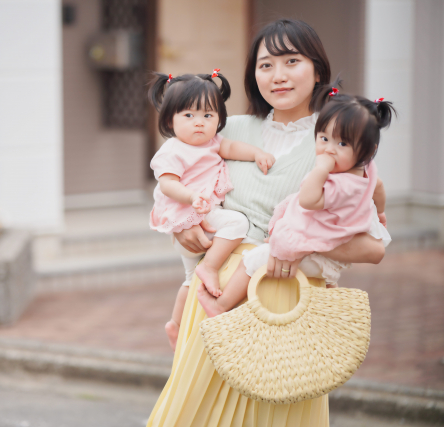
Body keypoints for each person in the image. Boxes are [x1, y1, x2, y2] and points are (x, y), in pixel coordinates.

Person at [146, 19, 387, 427]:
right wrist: (182, 226)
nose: (277, 75)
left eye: (291, 61)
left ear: (317, 69)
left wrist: (295, 247)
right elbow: (173, 183)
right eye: (265, 65)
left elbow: (374, 245)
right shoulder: (227, 129)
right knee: (193, 415)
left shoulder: (339, 137)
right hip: (215, 297)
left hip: (286, 304)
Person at [197, 91, 394, 317]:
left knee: (255, 259)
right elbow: (378, 188)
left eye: (342, 143)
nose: (329, 149)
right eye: (323, 138)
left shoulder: (341, 185)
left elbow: (308, 200)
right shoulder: (366, 172)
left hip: (317, 254)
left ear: (368, 150)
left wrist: (319, 170)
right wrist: (380, 212)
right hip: (325, 252)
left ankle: (220, 306)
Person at [147, 71, 276, 350]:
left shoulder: (213, 143)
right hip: (189, 214)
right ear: (170, 119)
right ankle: (211, 265)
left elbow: (230, 146)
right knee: (237, 224)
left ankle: (175, 324)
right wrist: (191, 197)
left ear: (219, 119)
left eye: (208, 116)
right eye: (189, 116)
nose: (199, 123)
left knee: (189, 280)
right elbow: (168, 184)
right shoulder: (173, 150)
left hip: (198, 217)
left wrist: (255, 153)